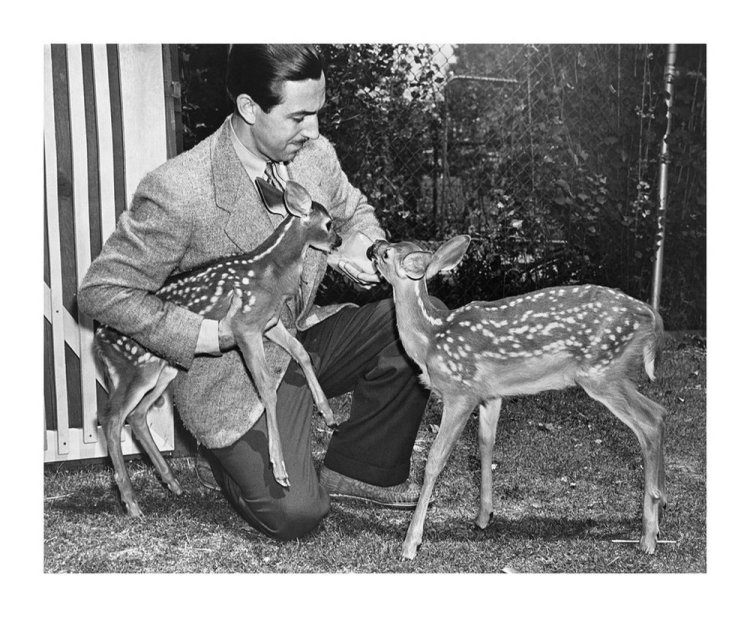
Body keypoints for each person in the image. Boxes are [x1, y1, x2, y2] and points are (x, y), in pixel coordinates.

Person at [78, 44, 431, 541]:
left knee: (421, 314)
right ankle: (224, 461)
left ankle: (358, 469)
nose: (313, 131)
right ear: (249, 108)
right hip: (232, 377)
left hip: (301, 337)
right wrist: (207, 332)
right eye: (299, 117)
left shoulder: (314, 155)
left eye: (318, 113)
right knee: (295, 516)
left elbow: (356, 211)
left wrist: (367, 249)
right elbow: (102, 291)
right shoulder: (180, 190)